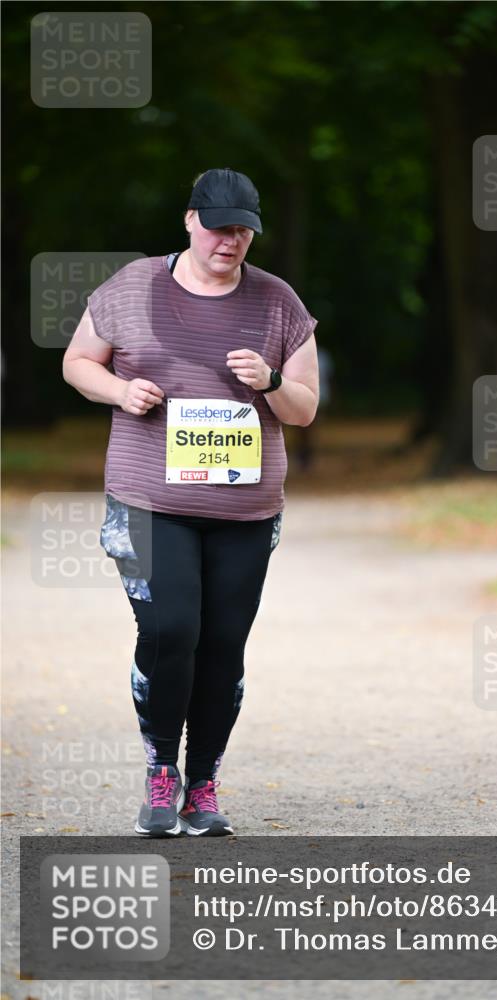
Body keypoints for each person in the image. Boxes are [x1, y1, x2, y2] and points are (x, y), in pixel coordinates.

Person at [63, 168, 319, 837]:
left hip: (244, 510)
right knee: (172, 630)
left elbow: (305, 406)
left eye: (240, 229)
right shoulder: (133, 287)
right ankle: (160, 769)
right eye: (216, 226)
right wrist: (122, 393)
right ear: (188, 220)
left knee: (223, 646)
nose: (228, 241)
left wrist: (267, 381)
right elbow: (78, 362)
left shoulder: (276, 303)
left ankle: (202, 782)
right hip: (151, 498)